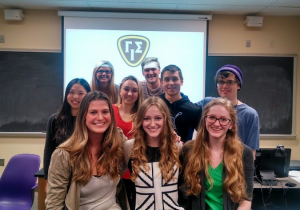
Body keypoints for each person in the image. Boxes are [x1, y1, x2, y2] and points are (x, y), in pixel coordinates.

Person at [45, 91, 124, 209]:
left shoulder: (118, 142)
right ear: (83, 116)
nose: (100, 117)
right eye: (93, 112)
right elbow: (54, 204)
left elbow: (140, 145)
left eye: (105, 112)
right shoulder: (64, 154)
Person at [179, 98, 254, 210]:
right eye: (212, 117)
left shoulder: (244, 153)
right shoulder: (189, 150)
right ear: (204, 120)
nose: (217, 123)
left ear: (231, 124)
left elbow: (246, 200)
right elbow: (181, 195)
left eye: (223, 119)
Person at [123, 97, 184, 210]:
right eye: (146, 118)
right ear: (140, 120)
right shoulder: (129, 147)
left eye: (158, 118)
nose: (152, 124)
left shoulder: (177, 147)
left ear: (165, 119)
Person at [196, 64, 259, 157]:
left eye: (230, 82)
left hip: (234, 166)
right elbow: (185, 109)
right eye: (221, 82)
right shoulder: (207, 103)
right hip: (207, 163)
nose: (224, 86)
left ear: (238, 85)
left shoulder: (250, 114)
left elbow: (251, 153)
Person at [43, 78, 91, 181]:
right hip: (60, 174)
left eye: (81, 93)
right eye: (71, 92)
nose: (75, 97)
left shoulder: (90, 121)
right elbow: (49, 150)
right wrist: (47, 179)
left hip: (84, 174)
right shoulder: (55, 120)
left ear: (88, 95)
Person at [113, 75, 143, 205]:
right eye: (126, 89)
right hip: (112, 168)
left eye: (134, 90)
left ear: (138, 93)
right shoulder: (109, 110)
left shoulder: (143, 115)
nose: (130, 93)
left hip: (136, 170)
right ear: (120, 90)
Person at [160, 64, 201, 142]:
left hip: (181, 153)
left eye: (175, 79)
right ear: (161, 82)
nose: (171, 83)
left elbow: (203, 136)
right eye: (167, 79)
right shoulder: (155, 104)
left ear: (182, 81)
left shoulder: (194, 110)